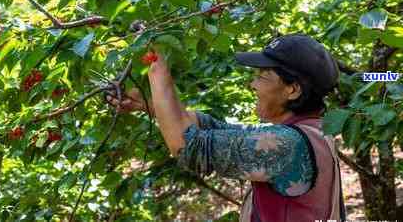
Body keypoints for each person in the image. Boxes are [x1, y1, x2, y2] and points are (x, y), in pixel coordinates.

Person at [106, 33, 346, 222]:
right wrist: (152, 105)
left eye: (262, 76)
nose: (252, 84)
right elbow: (211, 128)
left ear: (292, 89)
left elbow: (188, 145)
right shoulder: (312, 132)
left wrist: (158, 69)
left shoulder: (287, 145)